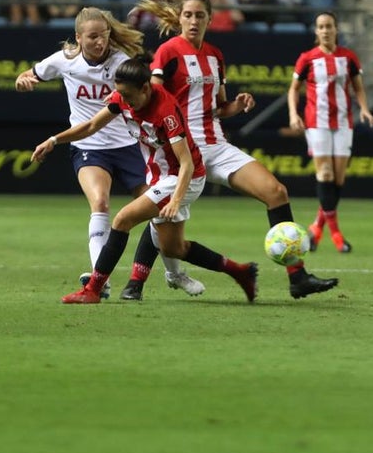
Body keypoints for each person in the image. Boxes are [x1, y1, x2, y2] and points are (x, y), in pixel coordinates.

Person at [134, 0, 340, 299]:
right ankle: (135, 283)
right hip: (181, 151)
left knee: (276, 192)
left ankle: (297, 277)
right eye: (188, 15)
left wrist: (237, 105)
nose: (193, 21)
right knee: (162, 213)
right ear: (179, 18)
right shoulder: (168, 52)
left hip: (216, 145)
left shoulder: (215, 56)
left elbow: (219, 108)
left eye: (200, 15)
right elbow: (154, 100)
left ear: (210, 18)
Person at [32, 59, 259, 305]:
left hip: (182, 178)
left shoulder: (166, 112)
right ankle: (241, 271)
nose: (124, 101)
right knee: (173, 248)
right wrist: (54, 140)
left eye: (129, 96)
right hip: (160, 177)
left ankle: (93, 290)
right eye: (120, 94)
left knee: (122, 220)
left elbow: (187, 163)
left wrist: (176, 200)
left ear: (145, 88)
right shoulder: (123, 98)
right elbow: (91, 126)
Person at [16, 8, 206, 301]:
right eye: (92, 37)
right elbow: (30, 74)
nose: (99, 42)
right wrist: (23, 80)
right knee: (101, 203)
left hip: (130, 146)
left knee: (156, 211)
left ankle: (174, 272)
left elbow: (149, 88)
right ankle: (99, 278)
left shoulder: (122, 62)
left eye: (103, 36)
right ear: (78, 37)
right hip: (89, 146)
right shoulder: (64, 61)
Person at [287, 12, 373, 254]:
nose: (325, 30)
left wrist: (364, 109)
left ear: (336, 29)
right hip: (317, 122)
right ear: (316, 31)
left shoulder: (348, 57)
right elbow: (293, 89)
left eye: (329, 26)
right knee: (325, 174)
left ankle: (317, 227)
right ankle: (336, 235)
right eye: (321, 27)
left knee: (338, 180)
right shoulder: (307, 58)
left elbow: (358, 87)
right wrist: (294, 114)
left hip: (344, 122)